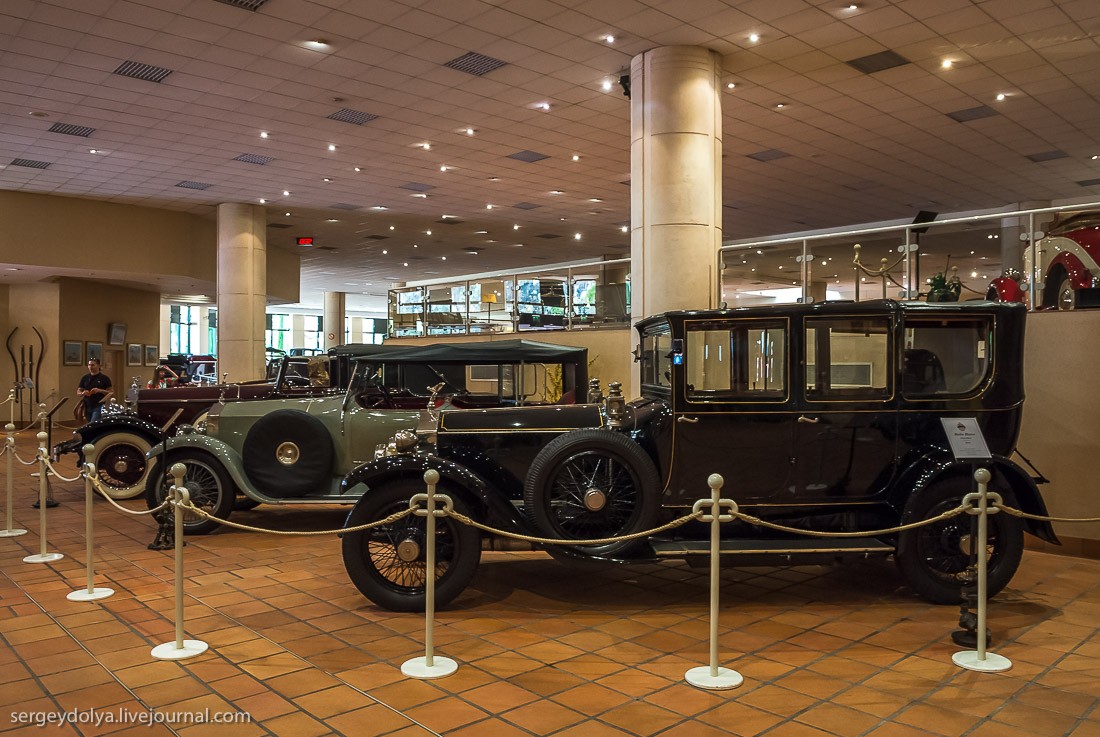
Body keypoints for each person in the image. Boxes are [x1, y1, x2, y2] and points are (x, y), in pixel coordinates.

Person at [77, 358, 112, 423]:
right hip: (87, 405)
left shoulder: (105, 378)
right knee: (89, 423)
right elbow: (78, 391)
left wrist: (100, 390)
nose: (90, 367)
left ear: (98, 366)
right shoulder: (85, 378)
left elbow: (110, 393)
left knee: (93, 423)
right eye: (89, 365)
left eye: (93, 365)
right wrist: (83, 393)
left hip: (99, 405)